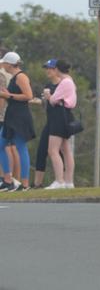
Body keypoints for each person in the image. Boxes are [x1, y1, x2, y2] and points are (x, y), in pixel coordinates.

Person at [0, 52, 35, 192]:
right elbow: (13, 96)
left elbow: (28, 96)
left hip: (20, 117)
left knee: (21, 147)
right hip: (12, 116)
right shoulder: (14, 77)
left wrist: (7, 95)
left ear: (9, 64)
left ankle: (25, 184)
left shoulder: (21, 76)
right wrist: (6, 93)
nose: (3, 66)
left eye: (4, 63)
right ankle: (7, 180)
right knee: (1, 144)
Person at [43, 60, 77, 189]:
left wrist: (48, 95)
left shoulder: (65, 82)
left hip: (59, 116)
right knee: (65, 149)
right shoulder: (70, 80)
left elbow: (53, 100)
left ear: (57, 69)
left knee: (52, 150)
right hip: (65, 115)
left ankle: (60, 180)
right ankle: (69, 181)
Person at [33, 59, 62, 188]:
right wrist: (34, 101)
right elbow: (46, 103)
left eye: (50, 68)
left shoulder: (63, 84)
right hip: (50, 122)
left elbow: (63, 103)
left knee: (61, 152)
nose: (48, 71)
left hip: (61, 122)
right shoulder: (47, 85)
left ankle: (64, 181)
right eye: (47, 68)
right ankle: (37, 184)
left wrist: (50, 97)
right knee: (41, 151)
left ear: (57, 70)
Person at [0, 50, 20, 190]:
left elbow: (2, 96)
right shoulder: (8, 74)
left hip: (3, 114)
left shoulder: (1, 75)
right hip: (8, 113)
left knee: (7, 147)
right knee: (10, 146)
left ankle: (8, 178)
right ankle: (11, 178)